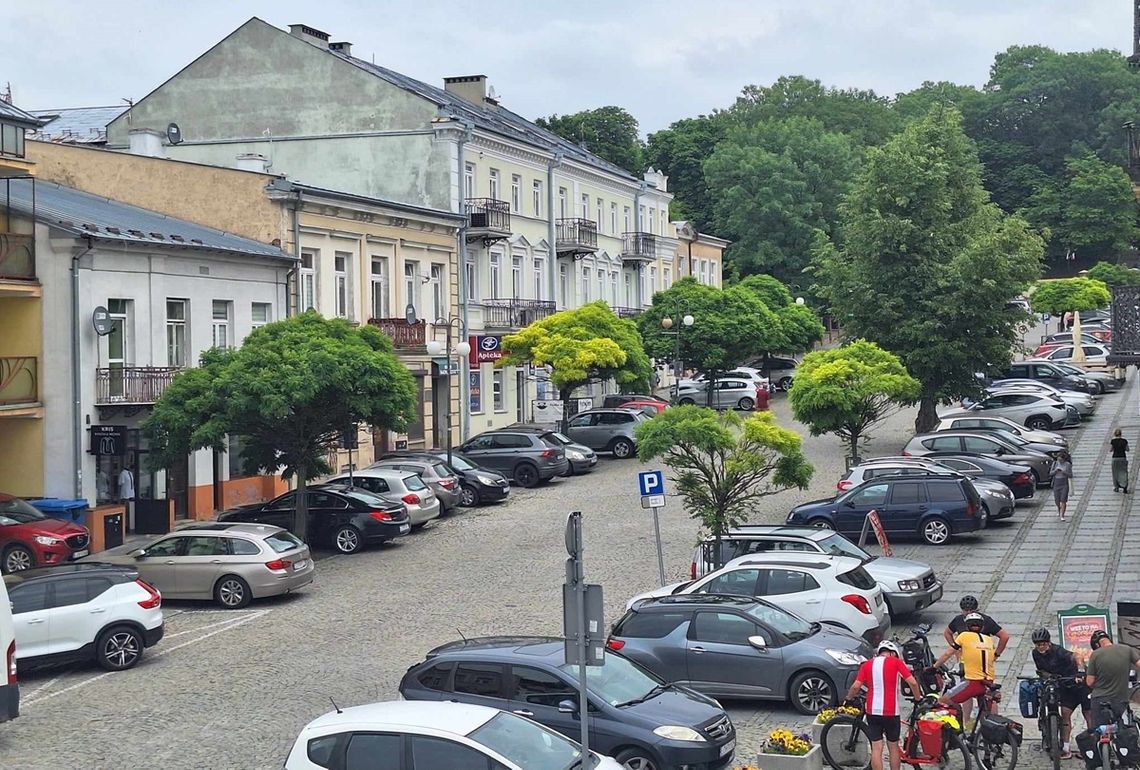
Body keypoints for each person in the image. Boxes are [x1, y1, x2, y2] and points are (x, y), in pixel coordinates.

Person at [844, 640, 925, 770]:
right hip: (891, 712)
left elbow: (856, 686)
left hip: (872, 711)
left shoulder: (867, 665)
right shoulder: (896, 662)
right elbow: (913, 683)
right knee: (893, 747)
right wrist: (918, 698)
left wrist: (848, 699)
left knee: (876, 747)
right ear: (892, 653)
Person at [1031, 627, 1090, 758]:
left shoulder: (1058, 651)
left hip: (1079, 683)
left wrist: (1080, 671)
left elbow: (1077, 656)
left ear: (1049, 642)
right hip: (1064, 686)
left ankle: (1093, 746)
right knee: (1065, 714)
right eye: (1038, 645)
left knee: (1088, 714)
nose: (1041, 647)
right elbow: (1041, 670)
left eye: (1043, 644)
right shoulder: (1035, 653)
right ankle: (1066, 747)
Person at [934, 613, 997, 727]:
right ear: (981, 626)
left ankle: (959, 728)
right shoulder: (989, 640)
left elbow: (948, 653)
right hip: (988, 681)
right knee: (987, 708)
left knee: (944, 700)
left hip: (973, 682)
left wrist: (934, 667)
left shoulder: (963, 636)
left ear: (967, 626)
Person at [1085, 630, 1140, 727]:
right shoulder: (1127, 649)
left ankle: (1101, 740)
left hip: (1100, 699)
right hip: (1121, 698)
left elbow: (1089, 682)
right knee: (1122, 726)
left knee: (1099, 729)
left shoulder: (1096, 654)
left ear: (1097, 645)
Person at [943, 595, 1011, 658]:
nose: (969, 613)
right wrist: (955, 649)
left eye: (972, 611)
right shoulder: (958, 620)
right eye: (966, 611)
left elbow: (1004, 636)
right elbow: (947, 632)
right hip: (965, 656)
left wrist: (996, 654)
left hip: (982, 656)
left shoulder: (986, 620)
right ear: (962, 610)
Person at [1051, 450, 1073, 521]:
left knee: (1063, 500)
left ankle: (1062, 515)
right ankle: (1058, 508)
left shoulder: (1067, 465)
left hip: (1064, 484)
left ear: (1064, 459)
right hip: (1056, 483)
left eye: (1061, 460)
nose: (1059, 461)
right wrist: (1055, 471)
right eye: (1058, 459)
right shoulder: (1055, 464)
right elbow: (1050, 473)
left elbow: (1071, 475)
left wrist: (1064, 472)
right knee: (1057, 500)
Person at [1112, 429, 1130, 494]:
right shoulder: (1124, 441)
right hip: (1122, 458)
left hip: (1115, 458)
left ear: (1114, 434)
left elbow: (1111, 450)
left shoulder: (1113, 441)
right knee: (1124, 472)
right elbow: (1127, 449)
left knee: (1115, 473)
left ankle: (1116, 487)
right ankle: (1124, 487)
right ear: (1121, 433)